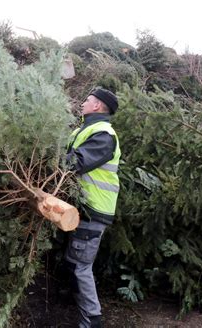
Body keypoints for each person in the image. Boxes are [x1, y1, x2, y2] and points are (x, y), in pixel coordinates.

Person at [65, 87, 121, 328]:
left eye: (86, 100)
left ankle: (91, 321)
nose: (82, 104)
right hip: (80, 208)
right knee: (72, 261)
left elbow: (76, 162)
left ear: (97, 106)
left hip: (94, 210)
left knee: (79, 265)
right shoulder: (84, 129)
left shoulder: (104, 134)